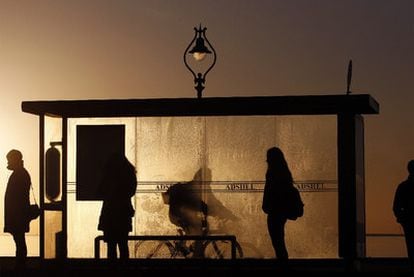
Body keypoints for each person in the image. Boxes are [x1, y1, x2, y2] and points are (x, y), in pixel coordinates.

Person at [98, 153, 137, 261]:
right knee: (123, 244)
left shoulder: (109, 174)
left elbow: (100, 191)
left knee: (111, 246)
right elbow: (131, 191)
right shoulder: (128, 173)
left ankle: (112, 270)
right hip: (124, 213)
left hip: (109, 213)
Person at [262, 147, 294, 262]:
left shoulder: (272, 172)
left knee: (277, 242)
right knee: (279, 240)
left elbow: (269, 191)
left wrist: (266, 205)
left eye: (268, 158)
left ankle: (283, 264)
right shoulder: (284, 172)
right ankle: (283, 262)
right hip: (281, 212)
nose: (266, 160)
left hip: (274, 211)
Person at [4, 149, 32, 269]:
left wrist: (14, 215)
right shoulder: (21, 173)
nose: (8, 162)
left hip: (17, 215)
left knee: (19, 240)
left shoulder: (19, 174)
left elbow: (17, 198)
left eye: (9, 160)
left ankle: (21, 264)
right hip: (18, 214)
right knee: (19, 239)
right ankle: (21, 263)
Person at [393, 160, 414, 264]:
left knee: (411, 248)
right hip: (408, 221)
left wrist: (402, 219)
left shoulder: (403, 186)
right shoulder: (403, 186)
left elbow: (396, 207)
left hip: (408, 222)